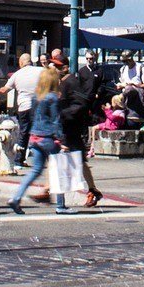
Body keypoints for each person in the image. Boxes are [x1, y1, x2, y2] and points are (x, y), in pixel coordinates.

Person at [8, 67, 69, 214]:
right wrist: (61, 139)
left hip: (34, 137)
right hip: (48, 138)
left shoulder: (36, 96)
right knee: (58, 170)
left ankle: (16, 198)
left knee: (35, 170)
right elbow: (56, 120)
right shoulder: (53, 97)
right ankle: (61, 206)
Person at [57, 58, 104, 207]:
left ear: (64, 68)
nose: (53, 69)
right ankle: (92, 190)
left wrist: (63, 114)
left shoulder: (71, 82)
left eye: (56, 66)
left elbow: (82, 104)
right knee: (77, 161)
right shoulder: (63, 83)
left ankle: (91, 191)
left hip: (72, 128)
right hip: (67, 127)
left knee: (75, 161)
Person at [3, 51, 42, 165]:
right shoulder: (41, 70)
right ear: (30, 61)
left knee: (23, 133)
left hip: (24, 107)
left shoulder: (17, 74)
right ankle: (40, 159)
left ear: (21, 62)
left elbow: (5, 89)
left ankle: (19, 160)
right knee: (39, 133)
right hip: (38, 106)